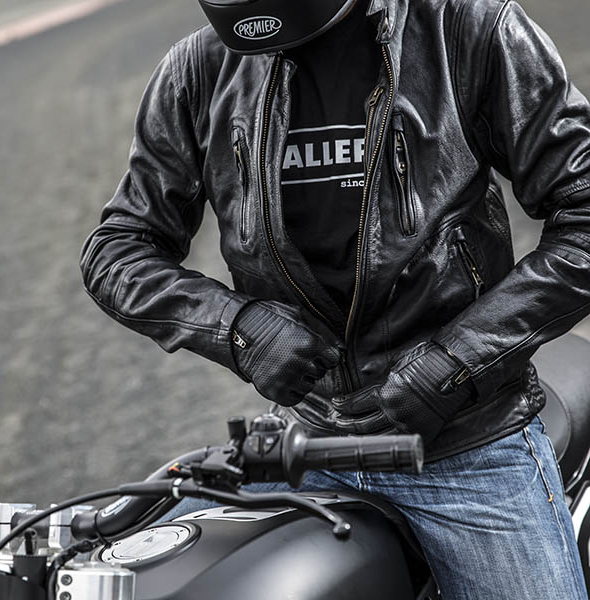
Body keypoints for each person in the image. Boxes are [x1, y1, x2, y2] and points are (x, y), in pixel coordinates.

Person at [80, 0, 590, 597]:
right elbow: (118, 249)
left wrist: (456, 364)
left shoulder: (465, 26)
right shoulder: (198, 69)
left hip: (469, 449)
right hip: (305, 442)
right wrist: (237, 328)